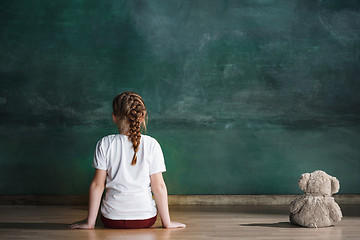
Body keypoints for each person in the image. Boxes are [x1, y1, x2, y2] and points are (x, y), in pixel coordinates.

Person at [69, 92, 186, 229]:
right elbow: (158, 186)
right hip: (145, 219)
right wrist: (167, 223)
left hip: (111, 220)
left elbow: (97, 185)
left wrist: (90, 223)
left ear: (114, 117)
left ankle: (91, 220)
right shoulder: (152, 144)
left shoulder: (105, 143)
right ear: (142, 117)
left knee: (101, 216)